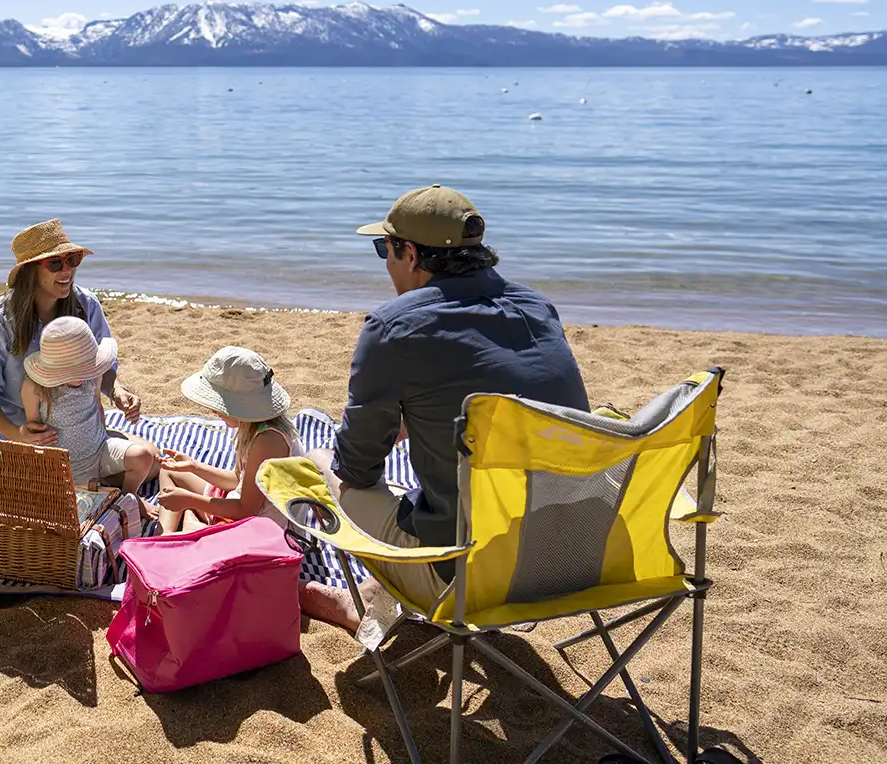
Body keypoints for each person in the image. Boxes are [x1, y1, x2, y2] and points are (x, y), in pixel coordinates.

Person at [306, 184, 591, 635]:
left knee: (321, 464)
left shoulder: (393, 327)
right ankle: (380, 591)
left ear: (411, 255)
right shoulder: (538, 307)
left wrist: (399, 426)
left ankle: (368, 596)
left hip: (470, 577)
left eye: (384, 248)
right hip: (577, 561)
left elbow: (357, 467)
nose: (385, 261)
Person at [0, 219, 158, 493]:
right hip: (24, 437)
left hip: (75, 433)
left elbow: (99, 367)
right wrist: (18, 434)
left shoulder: (85, 305)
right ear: (29, 271)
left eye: (73, 259)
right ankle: (83, 486)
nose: (67, 270)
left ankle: (80, 485)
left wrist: (115, 390)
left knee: (150, 457)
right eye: (55, 263)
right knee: (138, 462)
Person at [155, 347, 303, 532]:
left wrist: (190, 500)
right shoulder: (252, 427)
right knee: (169, 471)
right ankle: (166, 533)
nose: (213, 411)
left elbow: (246, 510)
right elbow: (237, 480)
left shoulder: (268, 441)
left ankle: (187, 523)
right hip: (244, 506)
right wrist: (194, 467)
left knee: (194, 529)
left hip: (261, 528)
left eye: (219, 405)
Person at [19, 317, 129, 487]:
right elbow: (33, 427)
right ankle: (106, 487)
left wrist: (104, 437)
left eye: (85, 368)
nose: (81, 376)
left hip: (97, 447)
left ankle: (122, 492)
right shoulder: (34, 388)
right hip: (67, 461)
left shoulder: (91, 376)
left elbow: (97, 406)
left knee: (149, 458)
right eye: (72, 371)